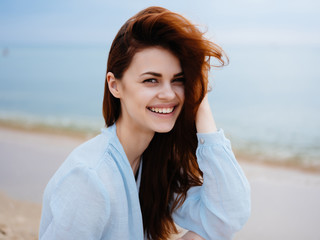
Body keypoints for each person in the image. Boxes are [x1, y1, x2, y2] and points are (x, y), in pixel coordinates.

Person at [39, 6, 251, 240]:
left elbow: (226, 218)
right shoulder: (91, 178)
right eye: (151, 80)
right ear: (115, 85)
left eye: (178, 80)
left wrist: (200, 101)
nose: (169, 94)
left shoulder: (153, 161)